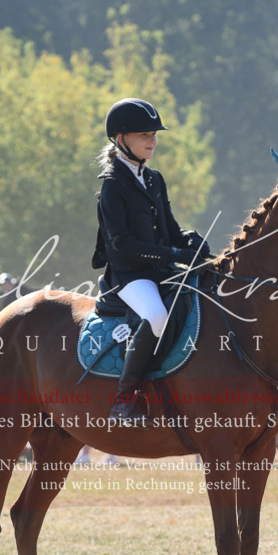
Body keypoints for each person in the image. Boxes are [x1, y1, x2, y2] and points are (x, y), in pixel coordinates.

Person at [93, 98, 209, 425]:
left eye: (154, 135)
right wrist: (176, 255)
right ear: (120, 139)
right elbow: (123, 245)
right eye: (144, 134)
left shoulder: (154, 179)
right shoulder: (112, 185)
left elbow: (170, 230)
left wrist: (191, 240)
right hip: (129, 276)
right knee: (157, 315)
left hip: (161, 272)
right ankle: (124, 401)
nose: (152, 141)